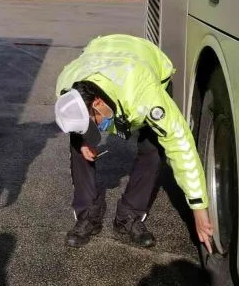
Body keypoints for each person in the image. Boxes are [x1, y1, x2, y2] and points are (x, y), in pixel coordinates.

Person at [54, 34, 213, 251]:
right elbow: (78, 119)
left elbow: (180, 143)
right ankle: (88, 215)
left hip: (143, 61)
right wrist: (83, 139)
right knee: (77, 144)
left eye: (95, 123)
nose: (95, 130)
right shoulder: (66, 85)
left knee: (155, 147)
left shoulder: (145, 95)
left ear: (99, 103)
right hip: (101, 50)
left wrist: (198, 206)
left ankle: (129, 217)